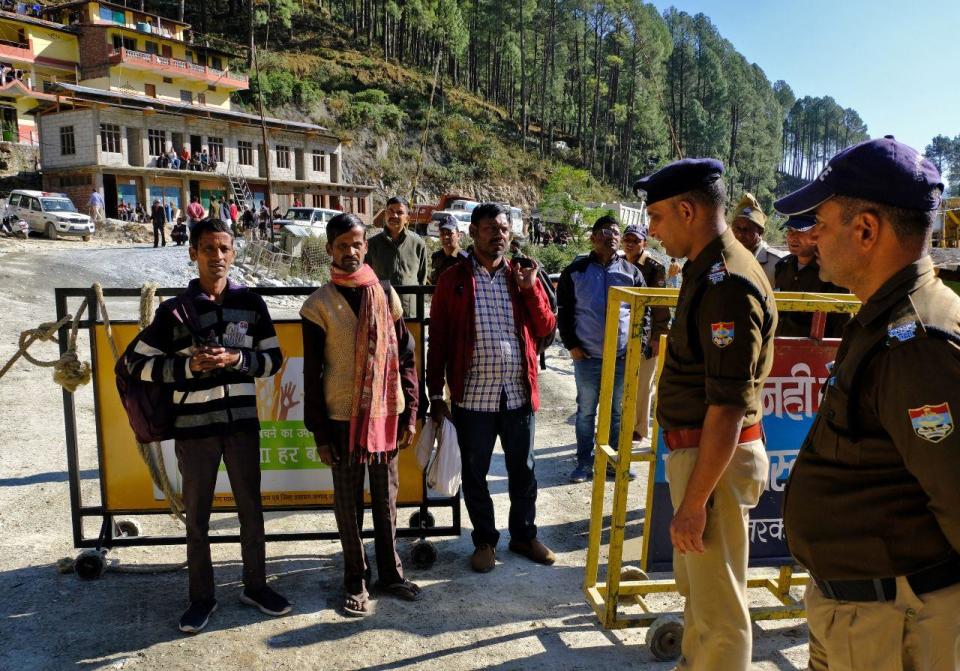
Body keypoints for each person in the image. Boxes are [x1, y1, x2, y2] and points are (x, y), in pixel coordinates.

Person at [775, 136, 960, 671]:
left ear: (866, 230)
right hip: (863, 613)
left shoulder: (916, 342)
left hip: (891, 625)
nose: (812, 240)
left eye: (822, 225)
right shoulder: (885, 319)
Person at [634, 158, 777, 671]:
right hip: (703, 460)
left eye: (657, 216)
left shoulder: (726, 283)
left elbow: (727, 405)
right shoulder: (710, 270)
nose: (650, 229)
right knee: (701, 593)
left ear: (688, 210)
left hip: (712, 463)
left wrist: (694, 503)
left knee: (719, 609)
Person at [122, 218, 291, 633]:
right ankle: (201, 598)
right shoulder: (174, 311)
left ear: (234, 253)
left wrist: (236, 360)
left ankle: (256, 586)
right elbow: (134, 363)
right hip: (194, 430)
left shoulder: (252, 305)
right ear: (193, 253)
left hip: (242, 427)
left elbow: (273, 359)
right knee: (197, 517)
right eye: (208, 249)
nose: (217, 257)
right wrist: (187, 365)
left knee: (251, 509)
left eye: (224, 249)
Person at [301, 212, 422, 617]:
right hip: (341, 419)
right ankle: (355, 579)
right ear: (329, 250)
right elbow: (311, 374)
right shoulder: (317, 306)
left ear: (365, 247)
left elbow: (405, 356)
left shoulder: (386, 294)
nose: (350, 252)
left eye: (356, 244)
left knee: (386, 499)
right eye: (341, 245)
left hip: (387, 415)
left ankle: (390, 573)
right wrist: (318, 433)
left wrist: (410, 411)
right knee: (348, 504)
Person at [427, 202, 557, 573]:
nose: (498, 234)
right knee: (475, 472)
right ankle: (485, 540)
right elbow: (438, 341)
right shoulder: (453, 280)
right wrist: (436, 394)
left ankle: (523, 535)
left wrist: (530, 289)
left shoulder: (523, 275)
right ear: (474, 233)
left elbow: (546, 328)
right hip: (473, 398)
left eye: (503, 228)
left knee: (524, 471)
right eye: (490, 228)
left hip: (517, 394)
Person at [557, 215, 648, 483]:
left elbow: (644, 313)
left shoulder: (632, 273)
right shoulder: (575, 271)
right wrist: (572, 345)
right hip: (586, 356)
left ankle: (612, 462)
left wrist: (638, 345)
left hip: (620, 357)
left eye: (615, 232)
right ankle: (584, 463)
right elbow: (563, 312)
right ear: (593, 237)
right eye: (605, 231)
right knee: (586, 410)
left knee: (617, 411)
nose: (611, 236)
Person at [621, 224, 671, 443]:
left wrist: (657, 337)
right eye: (627, 240)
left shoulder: (654, 267)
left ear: (644, 242)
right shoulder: (619, 263)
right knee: (622, 382)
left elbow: (660, 305)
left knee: (643, 385)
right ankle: (621, 424)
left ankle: (639, 429)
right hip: (622, 331)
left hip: (647, 332)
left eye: (635, 240)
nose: (630, 244)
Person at [772, 213, 850, 338]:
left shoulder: (833, 273)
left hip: (815, 351)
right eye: (790, 230)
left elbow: (841, 325)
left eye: (800, 231)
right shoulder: (783, 266)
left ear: (817, 235)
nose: (792, 237)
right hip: (780, 346)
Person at [366, 196, 427, 317]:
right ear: (385, 215)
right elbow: (366, 278)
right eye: (390, 211)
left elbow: (422, 279)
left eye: (399, 212)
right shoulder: (372, 244)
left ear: (407, 218)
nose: (394, 216)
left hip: (410, 312)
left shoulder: (418, 244)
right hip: (381, 311)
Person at [730, 192, 785, 285]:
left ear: (760, 232)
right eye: (737, 228)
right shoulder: (724, 258)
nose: (740, 234)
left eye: (747, 229)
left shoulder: (778, 263)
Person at [428, 214, 467, 284]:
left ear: (458, 235)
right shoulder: (436, 257)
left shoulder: (465, 259)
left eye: (449, 233)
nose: (445, 237)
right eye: (442, 233)